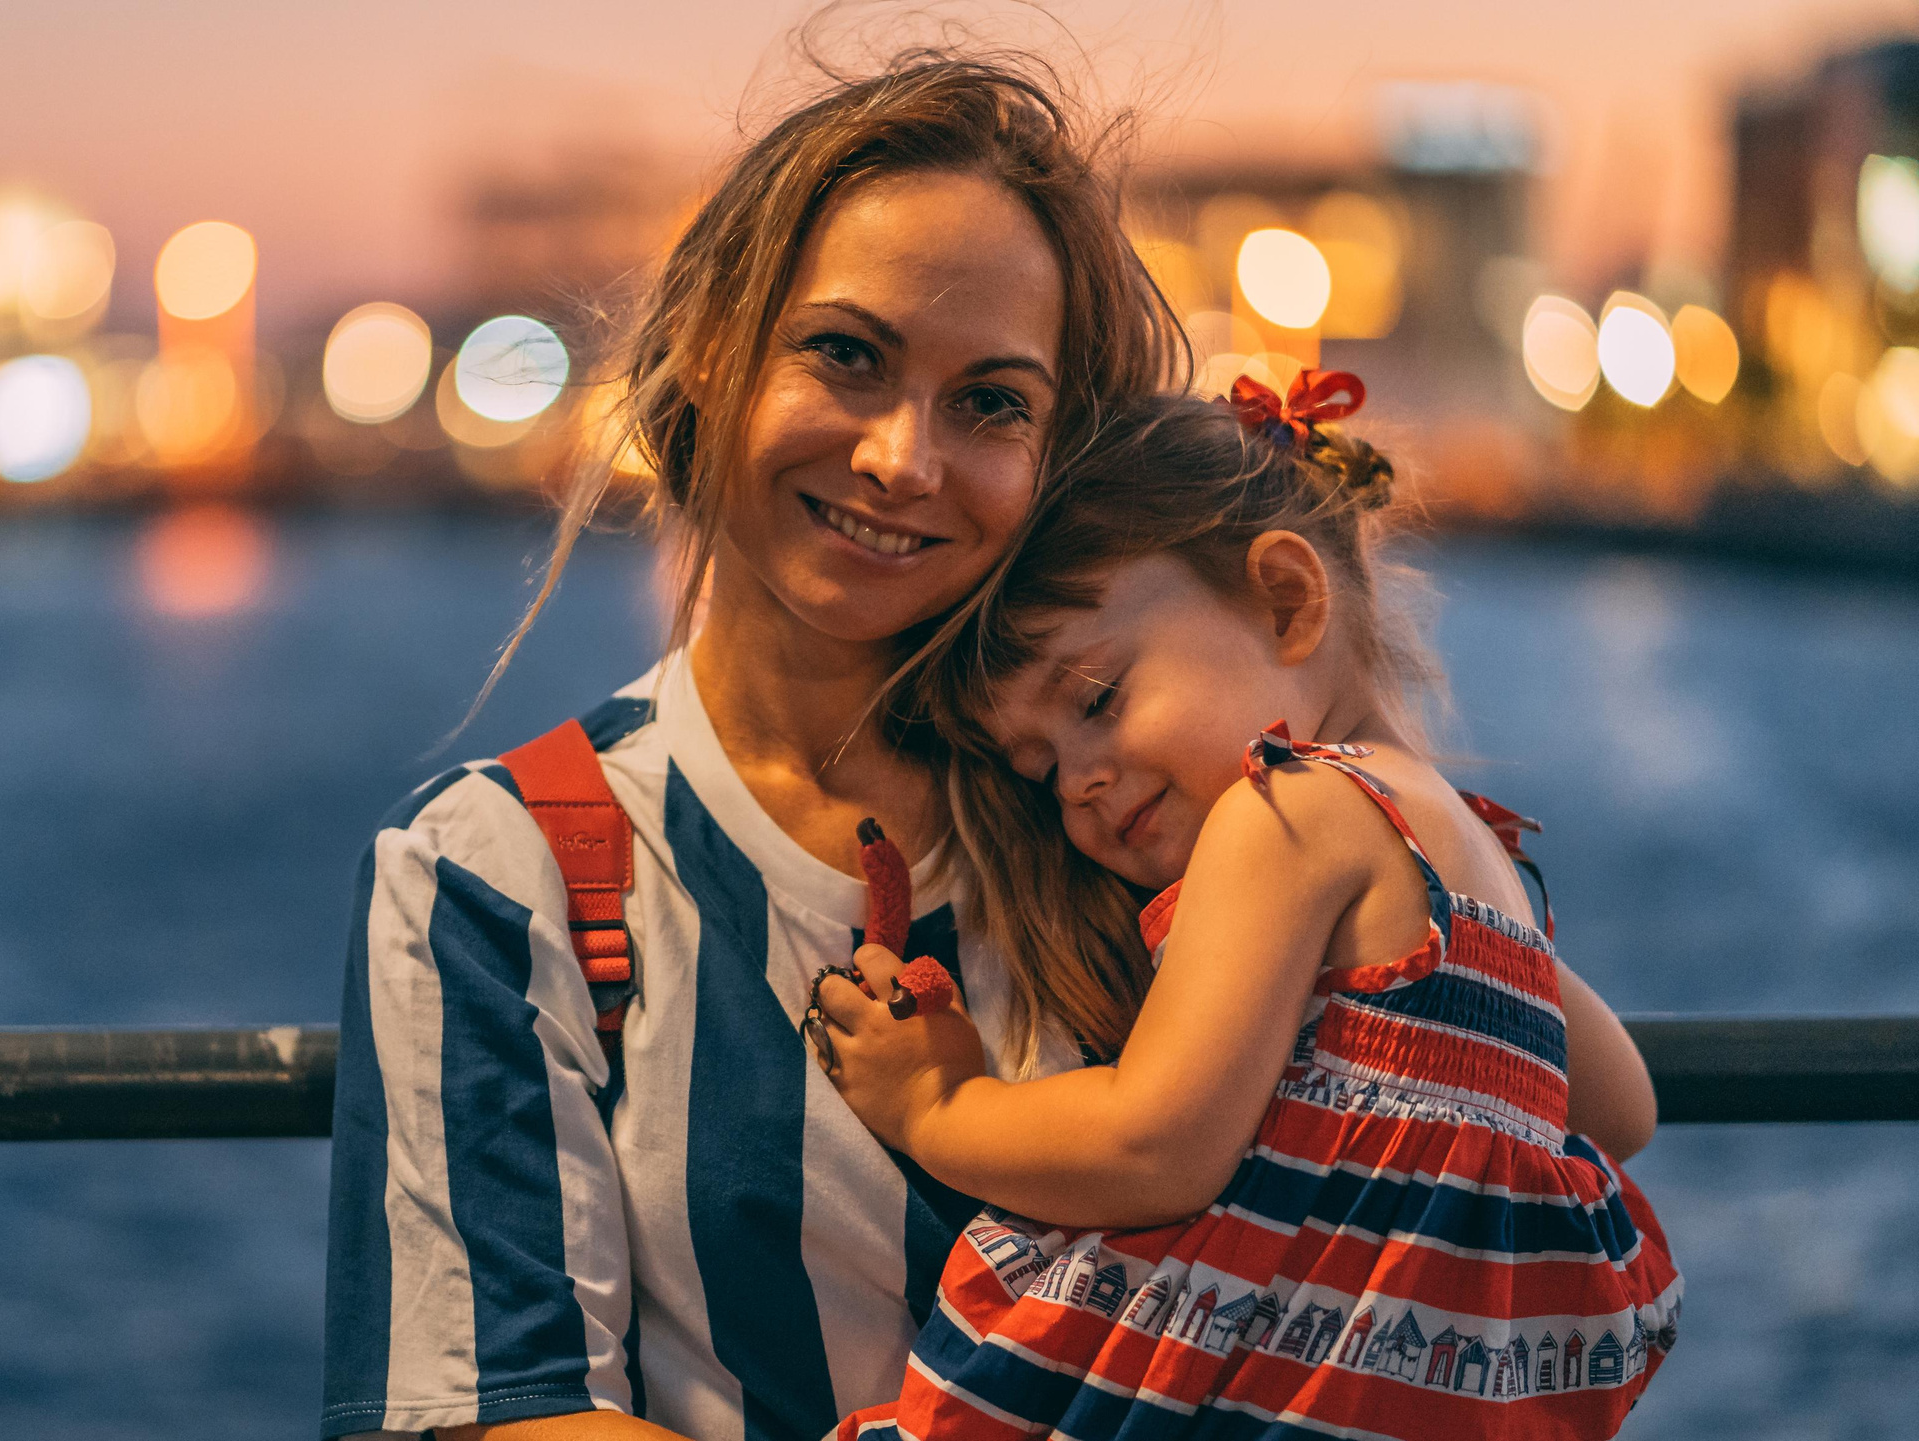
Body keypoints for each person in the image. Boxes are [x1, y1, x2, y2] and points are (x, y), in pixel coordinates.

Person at [322, 53, 1188, 1441]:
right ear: (710, 359)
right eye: (847, 355)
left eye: (991, 403)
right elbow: (498, 1412)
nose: (906, 459)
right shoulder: (500, 871)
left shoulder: (1147, 821)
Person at [808, 379, 1682, 1439]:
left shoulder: (1287, 811)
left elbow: (1153, 1145)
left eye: (1095, 700)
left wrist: (933, 1107)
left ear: (1284, 599)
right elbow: (1620, 1105)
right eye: (1039, 769)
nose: (1077, 782)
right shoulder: (1467, 858)